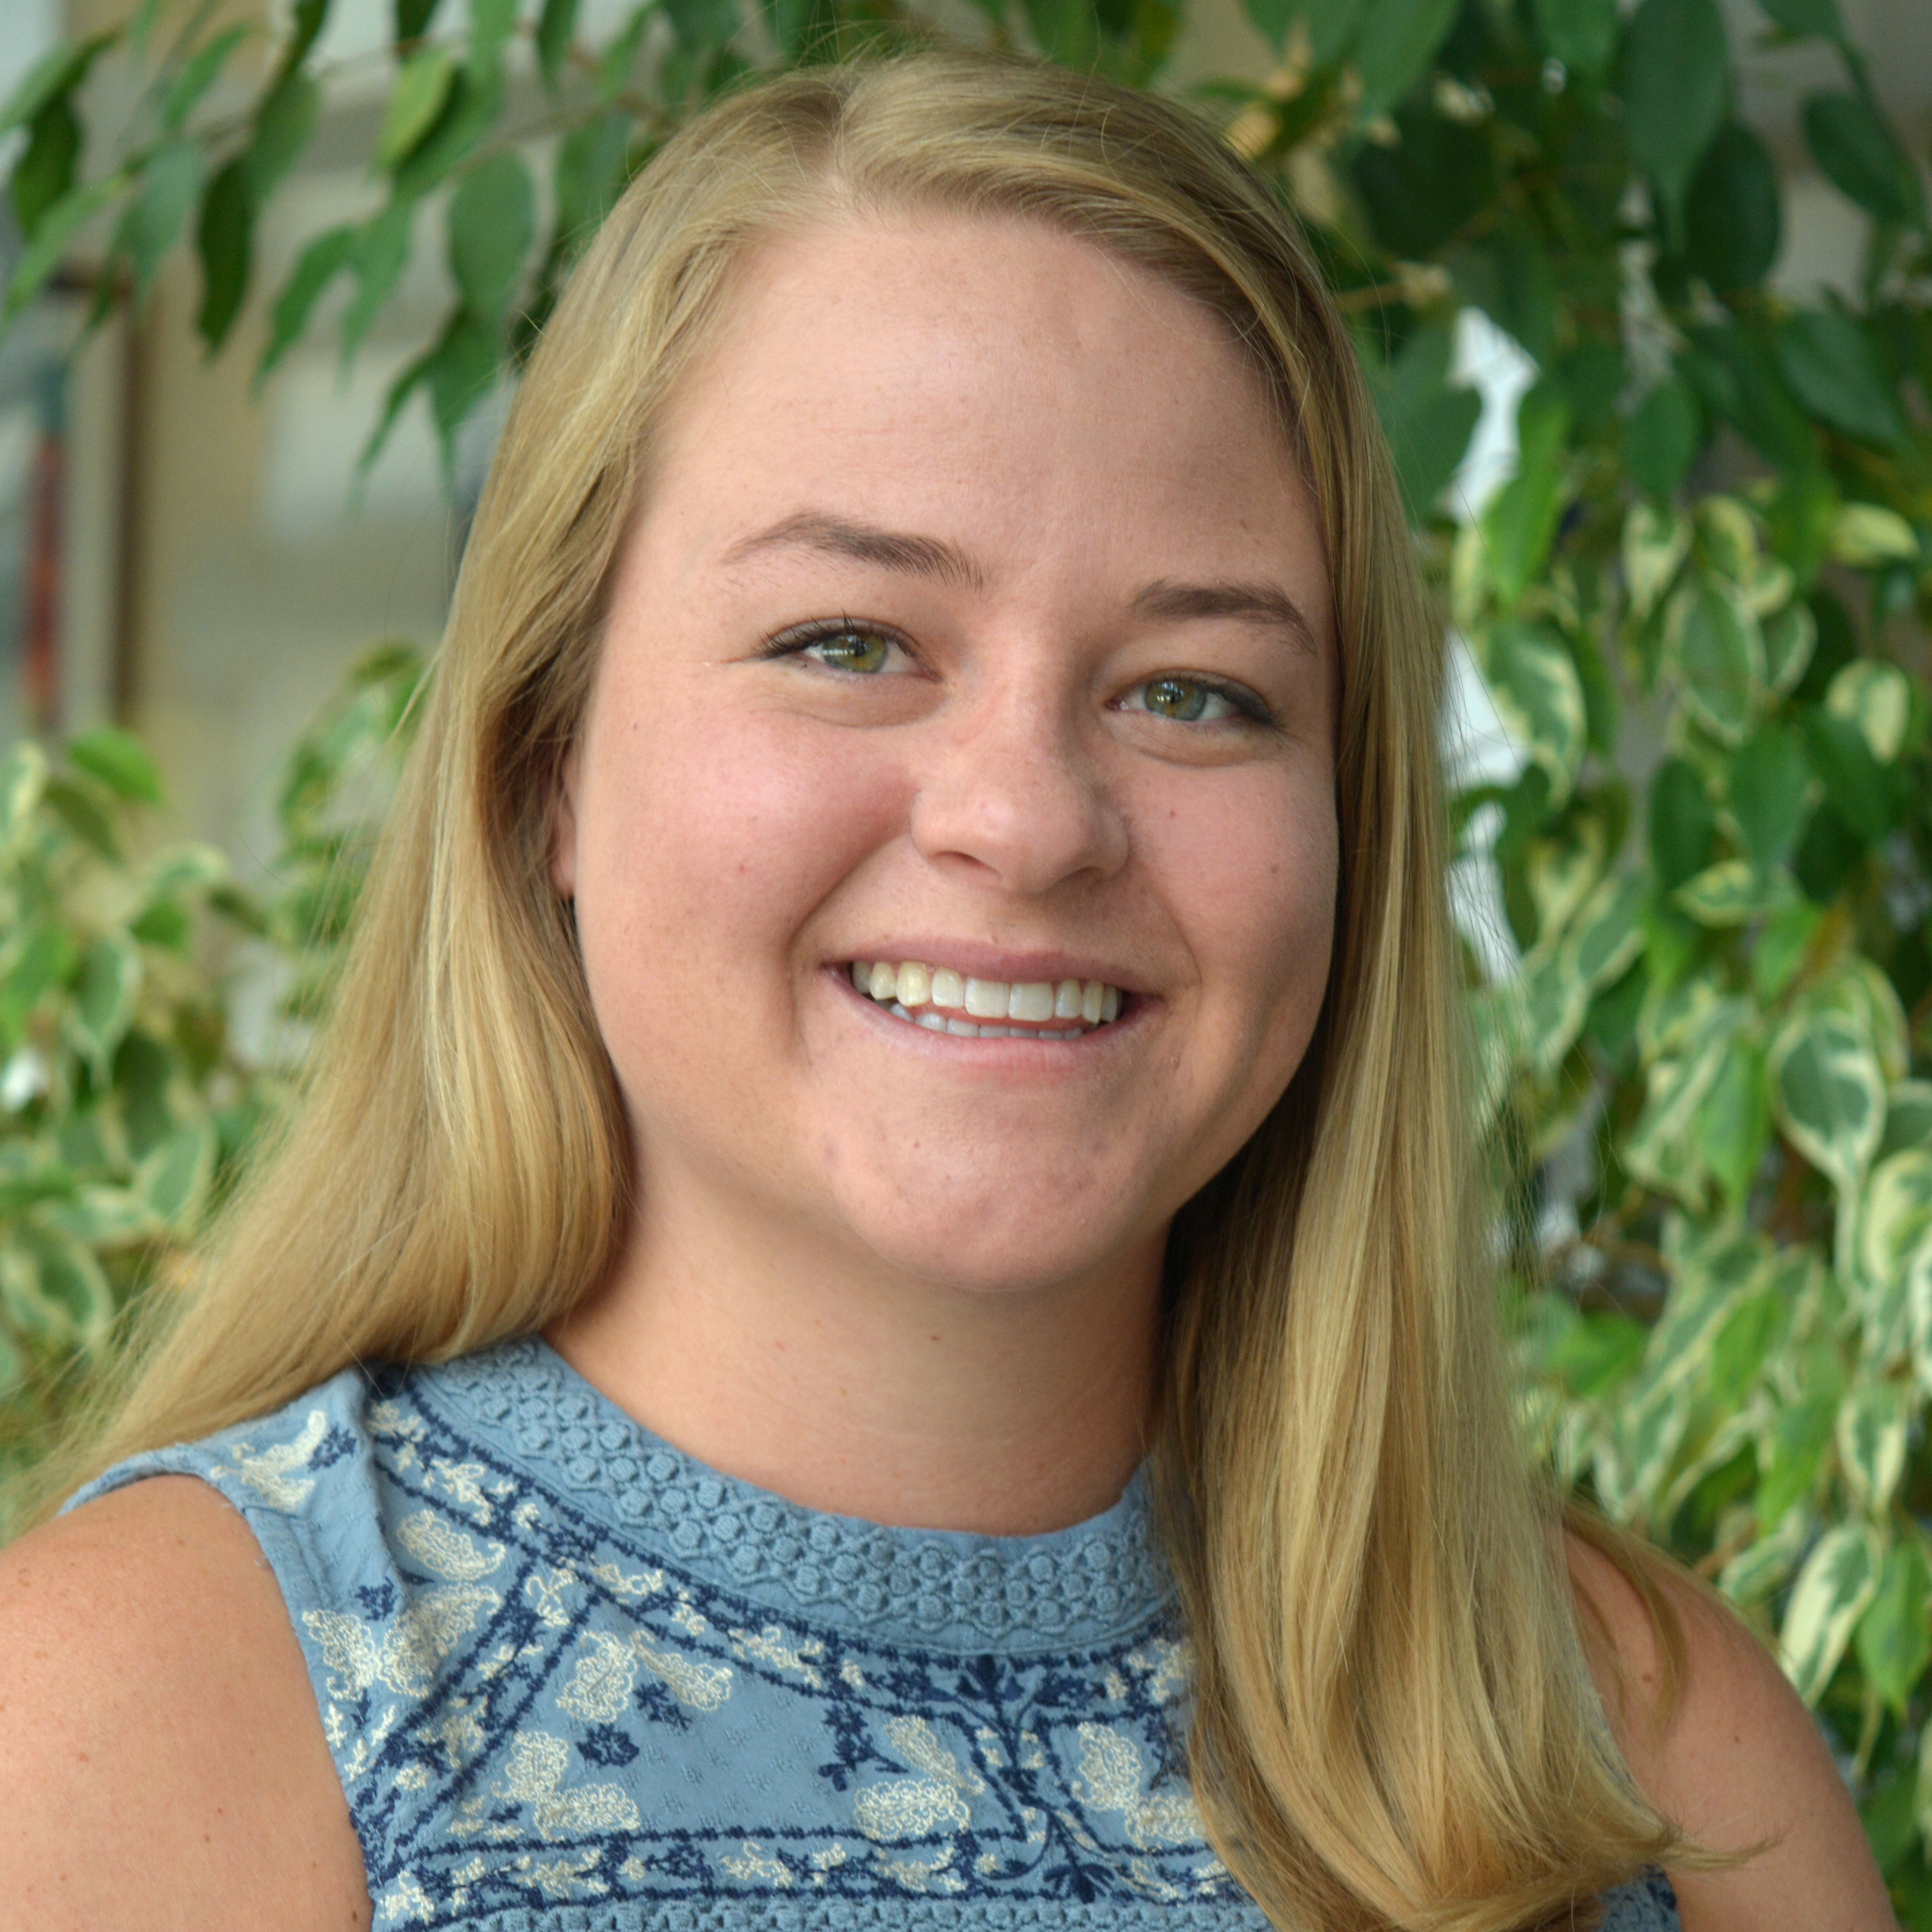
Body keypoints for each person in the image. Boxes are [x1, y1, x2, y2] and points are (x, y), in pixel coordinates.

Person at [0, 50, 1895, 1932]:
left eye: (1195, 689)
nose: (1029, 818)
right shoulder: (144, 1722)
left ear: (1353, 828)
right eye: (850, 642)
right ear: (542, 768)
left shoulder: (1647, 1762)